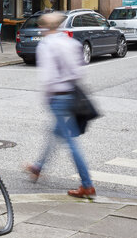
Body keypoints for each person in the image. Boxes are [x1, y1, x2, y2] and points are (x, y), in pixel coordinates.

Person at [24, 12, 95, 198]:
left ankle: (87, 185)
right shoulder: (70, 42)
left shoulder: (46, 45)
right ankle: (38, 166)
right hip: (73, 93)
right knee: (55, 132)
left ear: (44, 28)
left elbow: (47, 77)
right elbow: (80, 70)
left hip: (58, 97)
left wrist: (47, 98)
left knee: (71, 142)